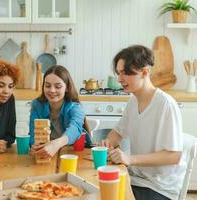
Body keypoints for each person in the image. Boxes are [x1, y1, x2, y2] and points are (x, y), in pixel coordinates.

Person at [102, 45, 185, 200]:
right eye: (119, 73)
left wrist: (130, 159)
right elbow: (117, 132)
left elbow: (174, 156)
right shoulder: (133, 102)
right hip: (135, 178)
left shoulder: (165, 105)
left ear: (144, 72)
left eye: (125, 73)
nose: (120, 79)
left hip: (159, 187)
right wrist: (107, 143)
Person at [29, 65, 91, 158]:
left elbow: (75, 129)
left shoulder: (75, 108)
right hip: (47, 156)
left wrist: (56, 144)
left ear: (66, 88)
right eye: (47, 85)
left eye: (58, 86)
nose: (52, 90)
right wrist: (35, 146)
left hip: (72, 155)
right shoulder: (37, 105)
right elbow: (33, 134)